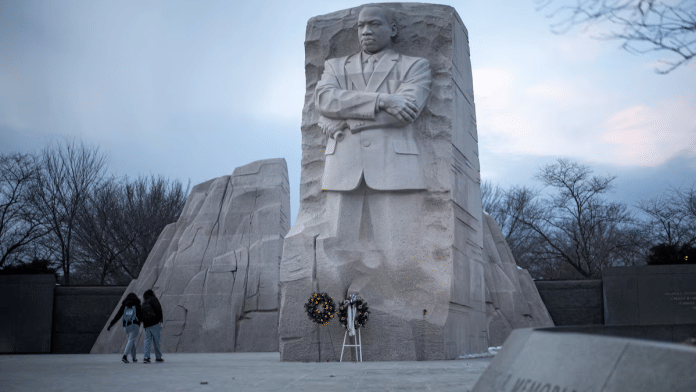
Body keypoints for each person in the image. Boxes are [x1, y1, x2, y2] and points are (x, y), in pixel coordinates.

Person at [314, 5, 433, 299]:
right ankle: (341, 313)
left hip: (394, 169)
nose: (365, 31)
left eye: (374, 24)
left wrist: (345, 120)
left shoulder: (414, 66)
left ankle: (399, 311)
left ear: (392, 29)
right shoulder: (336, 67)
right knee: (337, 252)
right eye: (361, 26)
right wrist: (382, 99)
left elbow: (406, 112)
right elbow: (325, 100)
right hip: (343, 168)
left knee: (399, 254)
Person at [107, 292, 142, 363]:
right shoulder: (137, 304)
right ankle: (125, 356)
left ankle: (134, 358)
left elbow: (118, 315)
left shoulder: (124, 305)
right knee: (131, 340)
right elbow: (141, 315)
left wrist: (111, 324)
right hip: (135, 324)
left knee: (131, 340)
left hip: (126, 325)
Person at [140, 289, 164, 363]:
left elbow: (141, 313)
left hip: (146, 324)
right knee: (156, 341)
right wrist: (161, 319)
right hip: (154, 323)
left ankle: (146, 357)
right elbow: (158, 309)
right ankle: (158, 357)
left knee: (147, 341)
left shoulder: (144, 303)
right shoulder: (154, 299)